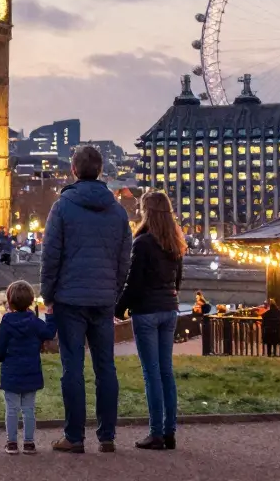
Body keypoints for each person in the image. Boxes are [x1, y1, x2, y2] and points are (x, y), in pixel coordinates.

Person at [40, 145, 132, 454]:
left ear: (74, 171)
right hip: (103, 299)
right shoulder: (119, 211)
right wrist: (113, 293)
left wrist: (48, 294)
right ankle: (107, 436)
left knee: (73, 368)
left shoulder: (62, 207)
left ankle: (74, 437)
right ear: (101, 171)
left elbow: (50, 256)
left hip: (69, 299)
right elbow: (124, 262)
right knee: (106, 367)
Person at [115, 190, 185, 452]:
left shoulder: (143, 242)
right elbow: (178, 280)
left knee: (151, 373)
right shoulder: (176, 241)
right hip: (169, 309)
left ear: (147, 212)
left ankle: (155, 433)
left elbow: (134, 282)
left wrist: (119, 308)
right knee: (166, 371)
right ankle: (170, 432)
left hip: (146, 311)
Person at [0, 281, 56, 455]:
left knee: (12, 409)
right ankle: (29, 442)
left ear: (10, 300)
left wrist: (0, 357)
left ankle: (12, 442)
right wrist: (50, 315)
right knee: (29, 408)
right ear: (30, 301)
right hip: (31, 372)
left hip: (11, 372)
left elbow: (0, 349)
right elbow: (49, 333)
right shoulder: (34, 322)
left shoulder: (6, 321)